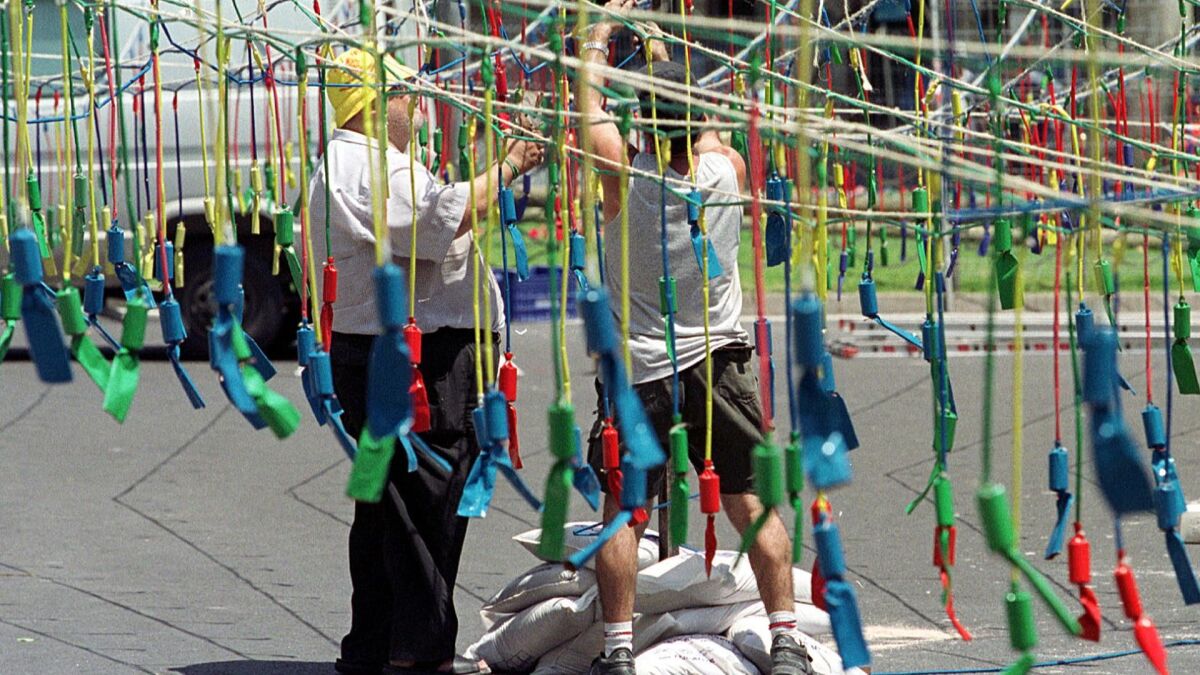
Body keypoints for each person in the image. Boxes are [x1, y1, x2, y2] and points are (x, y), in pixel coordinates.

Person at [578, 4, 815, 675]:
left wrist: (600, 33)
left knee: (625, 511)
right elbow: (697, 126)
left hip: (644, 371)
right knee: (750, 500)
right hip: (720, 359)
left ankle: (618, 651)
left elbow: (588, 107)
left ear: (642, 123)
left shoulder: (624, 176)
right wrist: (662, 54)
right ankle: (786, 638)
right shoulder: (726, 170)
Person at [310, 48, 544, 675]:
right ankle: (417, 651)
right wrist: (509, 166)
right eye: (404, 89)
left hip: (382, 356)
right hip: (415, 363)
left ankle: (377, 645)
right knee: (423, 502)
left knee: (385, 505)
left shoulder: (366, 162)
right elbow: (443, 217)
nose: (419, 99)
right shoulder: (367, 165)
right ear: (372, 103)